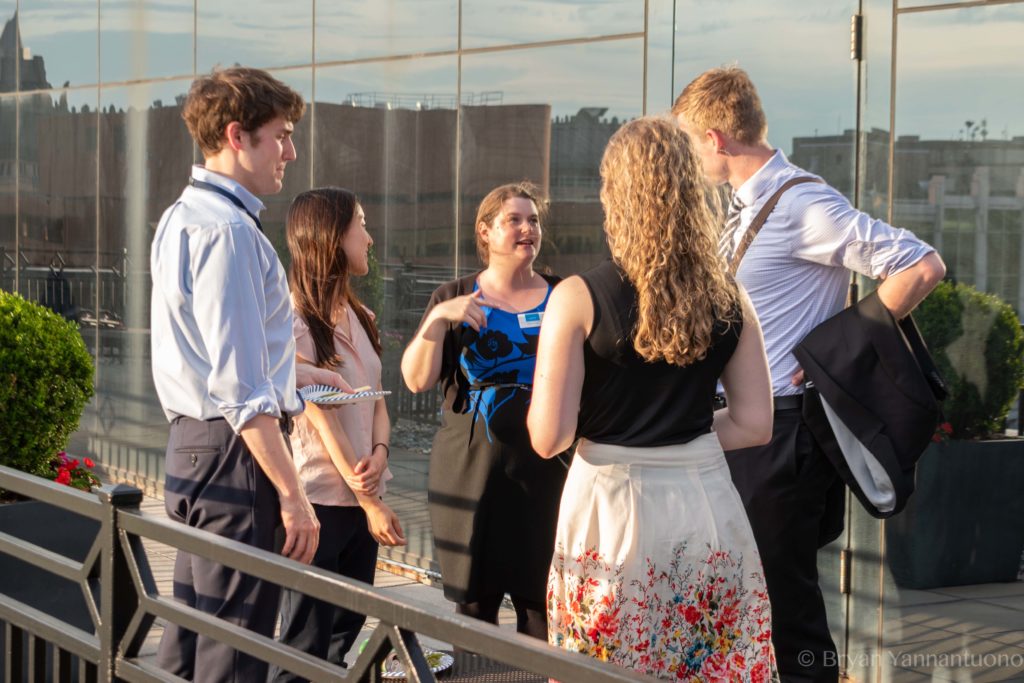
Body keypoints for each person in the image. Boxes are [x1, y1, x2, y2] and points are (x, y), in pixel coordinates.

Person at [673, 66, 946, 683]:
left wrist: (834, 354)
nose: (693, 157)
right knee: (743, 599)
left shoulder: (801, 202)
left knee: (783, 606)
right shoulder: (745, 206)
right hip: (741, 428)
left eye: (690, 142)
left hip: (782, 431)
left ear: (716, 138)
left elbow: (920, 265)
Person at [528, 116, 778, 681]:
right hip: (705, 499)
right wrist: (683, 439)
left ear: (615, 194)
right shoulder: (729, 295)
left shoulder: (576, 297)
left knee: (604, 662)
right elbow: (755, 424)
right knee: (706, 658)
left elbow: (549, 438)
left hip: (608, 505)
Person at [150, 67, 344, 683]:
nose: (291, 151)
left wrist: (300, 374)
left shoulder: (182, 216)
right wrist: (294, 496)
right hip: (236, 453)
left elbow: (217, 360)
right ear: (238, 135)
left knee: (191, 644)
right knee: (234, 659)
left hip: (194, 446)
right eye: (281, 135)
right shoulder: (229, 231)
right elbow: (241, 388)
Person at [401, 182, 569, 639]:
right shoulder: (454, 296)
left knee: (543, 608)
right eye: (513, 220)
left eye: (533, 220)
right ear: (485, 231)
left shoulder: (564, 296)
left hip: (547, 471)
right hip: (470, 473)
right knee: (476, 611)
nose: (526, 229)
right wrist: (439, 320)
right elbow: (416, 379)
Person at [269, 188, 406, 681]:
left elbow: (378, 402)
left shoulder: (362, 318)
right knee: (305, 641)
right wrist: (370, 501)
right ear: (330, 237)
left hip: (362, 494)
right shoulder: (290, 323)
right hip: (321, 502)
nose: (369, 238)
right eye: (361, 225)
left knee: (344, 632)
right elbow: (322, 417)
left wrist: (381, 450)